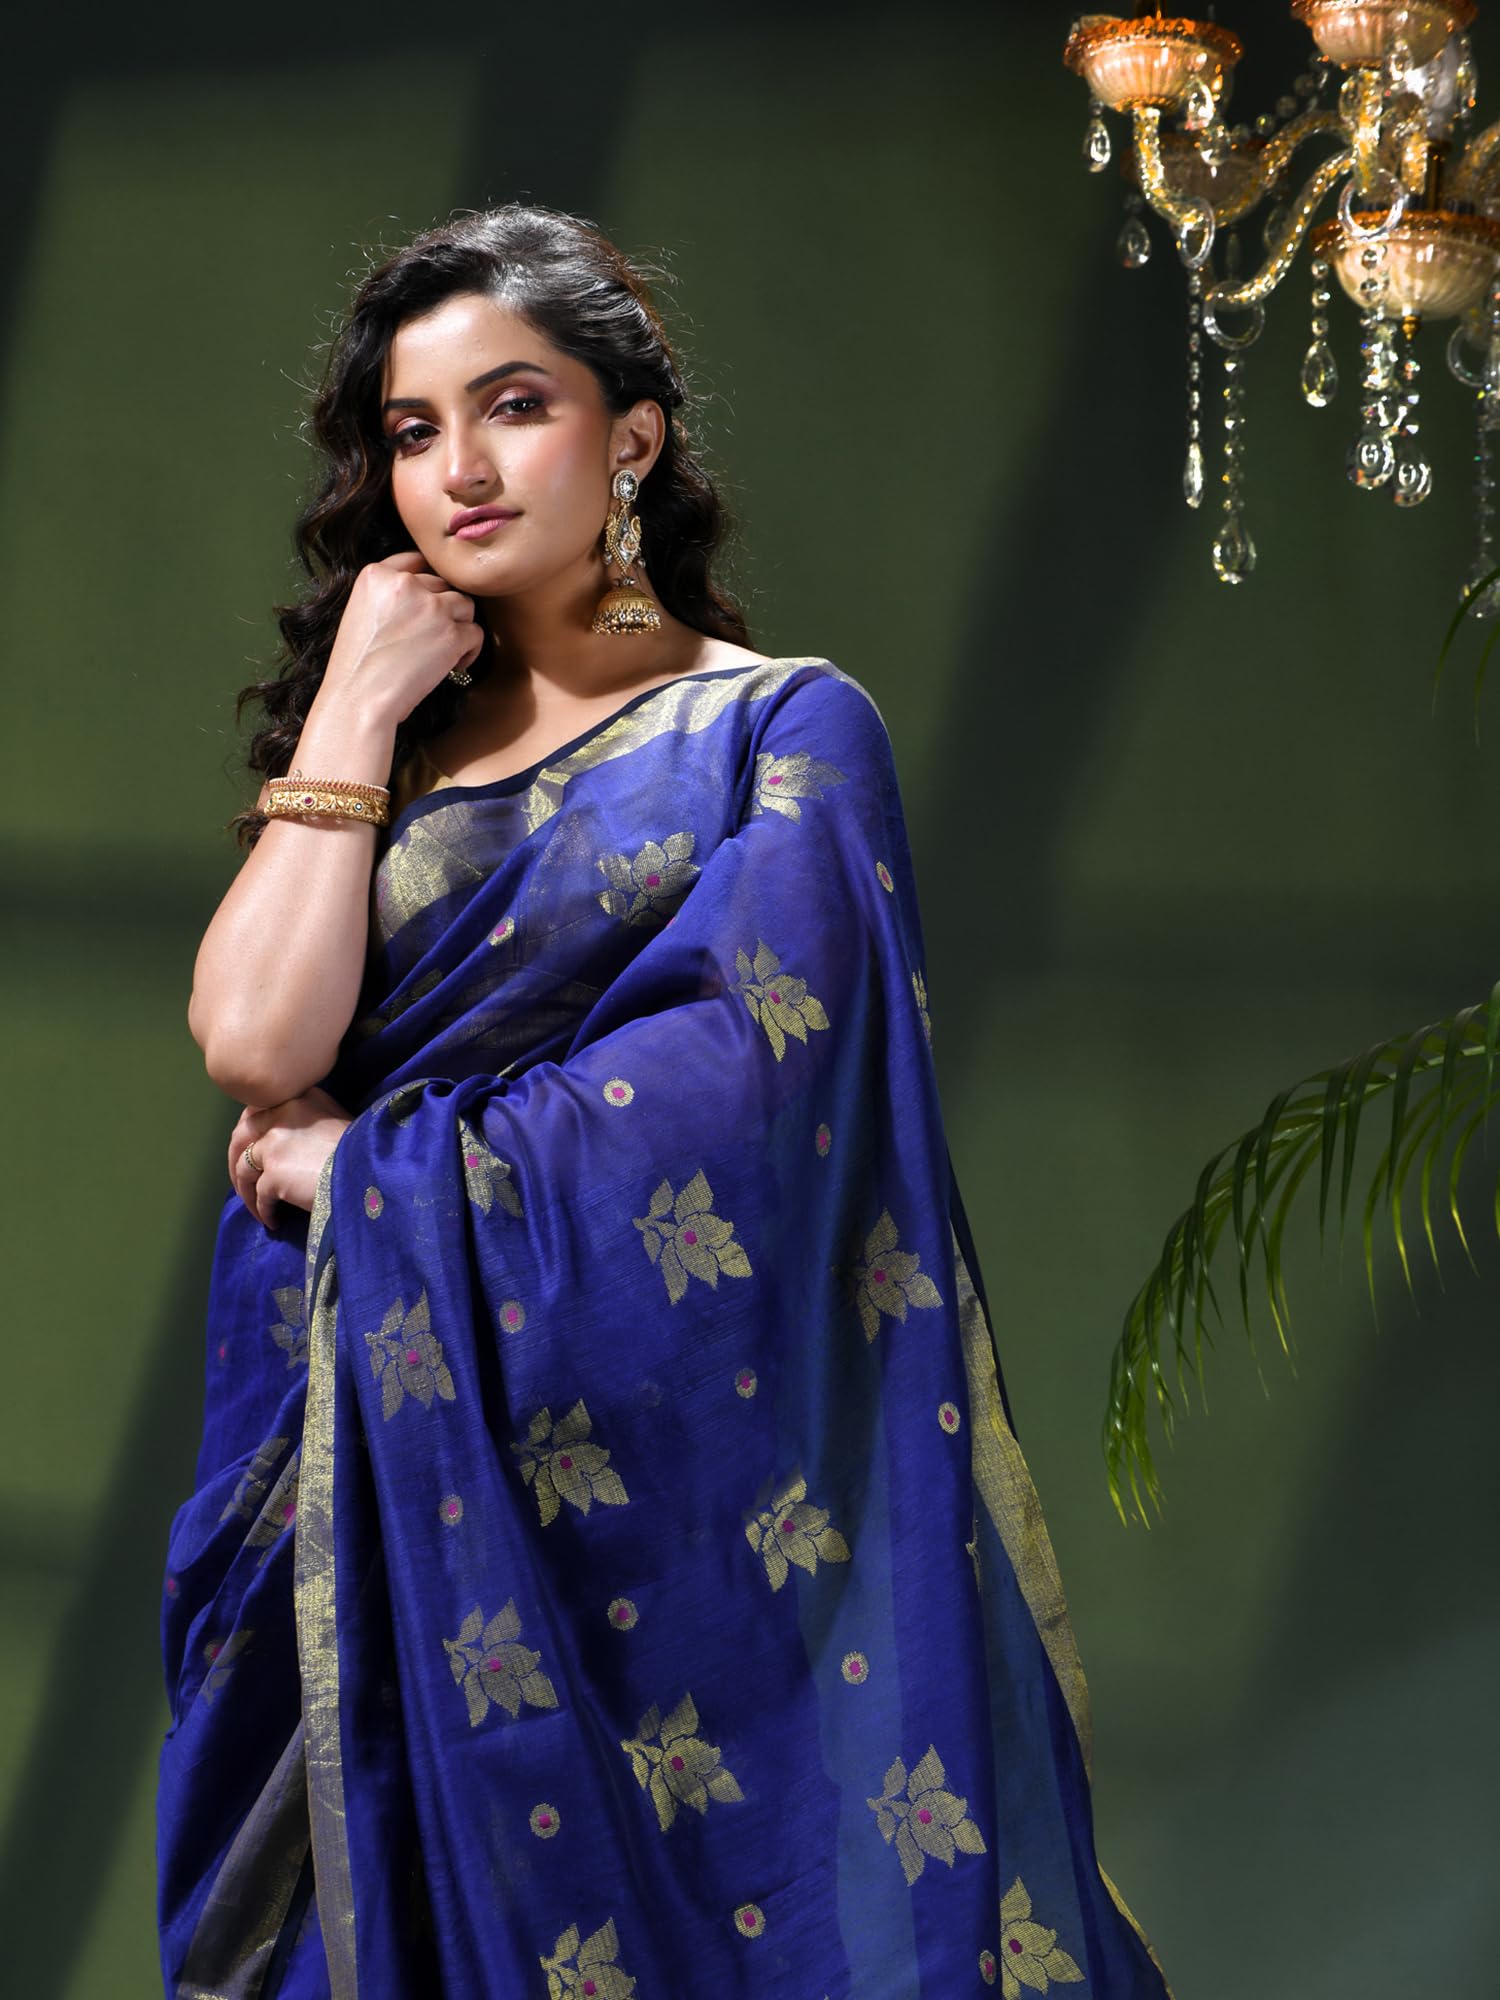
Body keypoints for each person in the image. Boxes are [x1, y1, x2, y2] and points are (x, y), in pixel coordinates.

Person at [157, 200, 1173, 2000]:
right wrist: (357, 711)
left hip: (642, 1453)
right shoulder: (382, 754)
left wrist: (374, 1166)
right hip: (338, 1428)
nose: (460, 471)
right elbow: (250, 1039)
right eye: (413, 432)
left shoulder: (777, 732)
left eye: (515, 406)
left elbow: (741, 1087)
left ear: (631, 436)